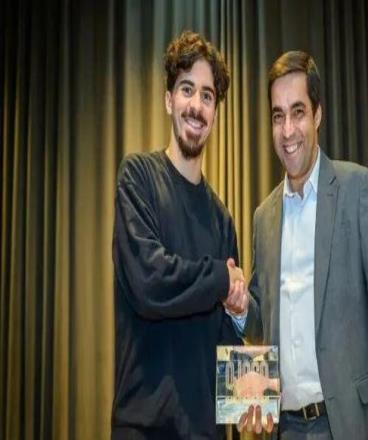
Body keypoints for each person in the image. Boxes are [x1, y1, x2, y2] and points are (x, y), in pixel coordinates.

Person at [228, 51, 368, 439]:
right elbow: (263, 325)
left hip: (347, 425)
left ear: (318, 115)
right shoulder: (263, 217)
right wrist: (241, 307)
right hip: (286, 428)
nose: (287, 130)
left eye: (298, 112)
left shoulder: (357, 188)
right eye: (278, 116)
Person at [111, 30, 247, 439]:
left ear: (215, 113)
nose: (197, 106)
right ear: (168, 99)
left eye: (208, 96)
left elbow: (226, 346)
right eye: (187, 89)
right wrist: (221, 279)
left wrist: (238, 315)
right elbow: (149, 281)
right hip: (143, 427)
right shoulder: (137, 178)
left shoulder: (222, 220)